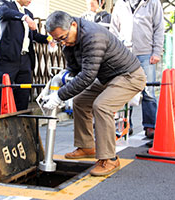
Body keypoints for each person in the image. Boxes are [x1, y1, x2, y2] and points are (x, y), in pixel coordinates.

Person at [43, 11, 146, 176]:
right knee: (80, 102)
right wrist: (57, 81)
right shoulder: (69, 40)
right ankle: (86, 146)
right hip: (108, 77)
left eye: (62, 38)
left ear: (74, 25)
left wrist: (60, 95)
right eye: (57, 40)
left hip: (129, 75)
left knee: (102, 106)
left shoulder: (93, 36)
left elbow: (87, 76)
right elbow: (74, 69)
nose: (62, 42)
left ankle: (110, 158)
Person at [109, 0, 164, 138]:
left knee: (148, 91)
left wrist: (157, 51)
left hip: (146, 52)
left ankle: (150, 126)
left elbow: (159, 27)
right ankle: (126, 125)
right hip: (124, 53)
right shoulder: (120, 3)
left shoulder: (152, 2)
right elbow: (114, 30)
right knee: (124, 90)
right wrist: (114, 53)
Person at [0, 0, 52, 115]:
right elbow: (4, 12)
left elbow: (34, 35)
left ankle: (20, 128)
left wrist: (49, 39)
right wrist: (24, 17)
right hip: (8, 59)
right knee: (2, 95)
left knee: (23, 95)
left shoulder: (29, 13)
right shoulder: (5, 4)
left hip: (25, 60)